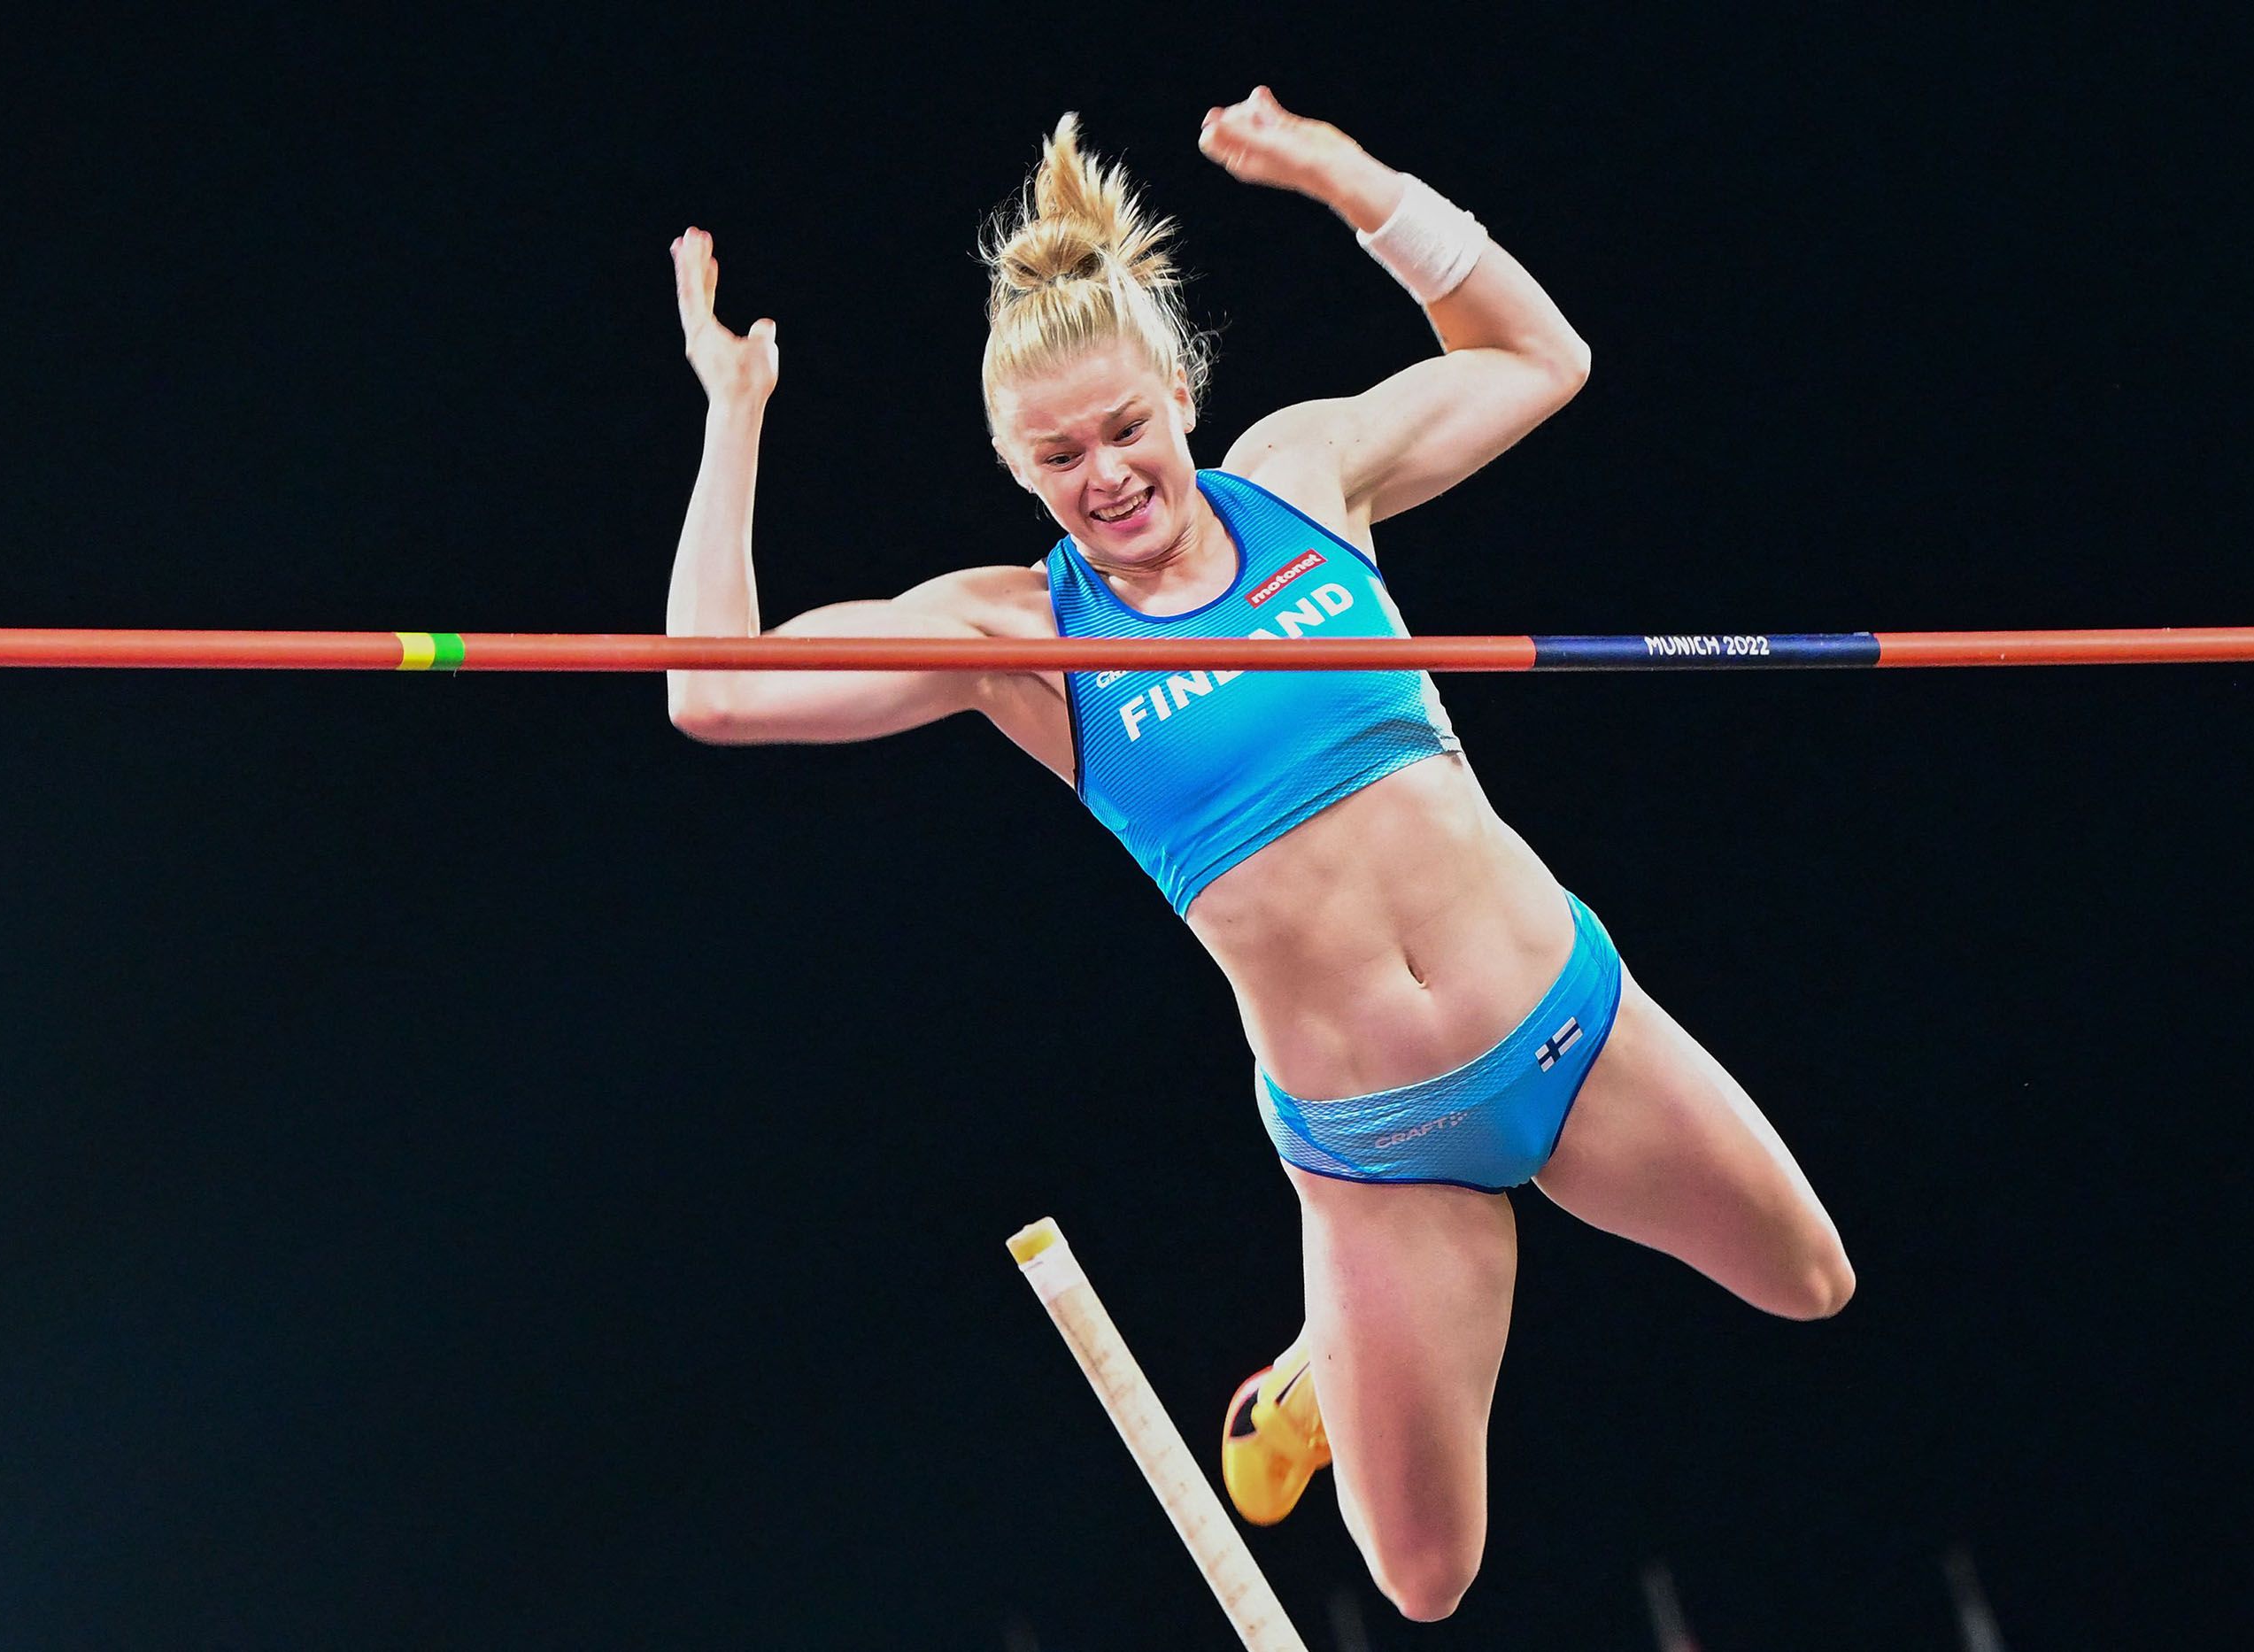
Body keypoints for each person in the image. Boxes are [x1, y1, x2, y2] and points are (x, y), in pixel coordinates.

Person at [663, 88, 1853, 1623]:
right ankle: (1315, 1375)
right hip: (1376, 1148)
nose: (1102, 476)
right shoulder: (1021, 639)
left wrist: (1348, 179)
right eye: (1055, 457)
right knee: (1425, 1581)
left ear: (1179, 391)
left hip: (1569, 1017)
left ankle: (1318, 1362)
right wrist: (734, 411)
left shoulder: (1304, 483)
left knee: (1810, 1278)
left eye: (1124, 428)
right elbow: (714, 686)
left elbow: (1535, 356)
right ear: (1014, 466)